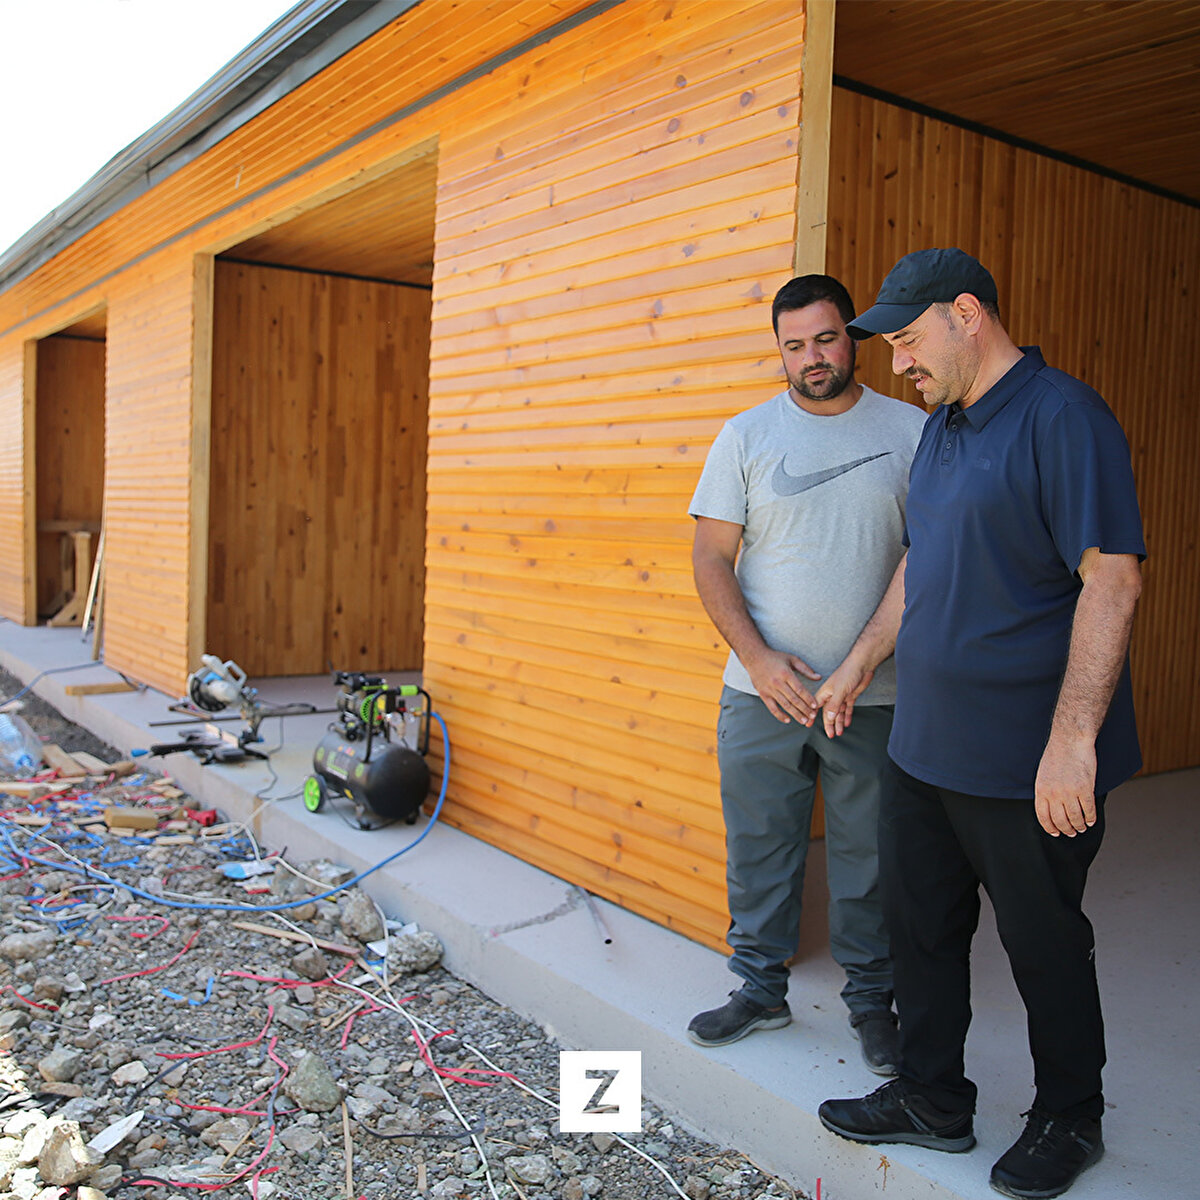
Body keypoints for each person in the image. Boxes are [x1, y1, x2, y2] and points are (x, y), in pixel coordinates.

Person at [814, 248, 1144, 1200]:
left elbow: (1112, 579)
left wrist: (1073, 740)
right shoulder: (944, 428)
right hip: (927, 742)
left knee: (1043, 946)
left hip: (1026, 757)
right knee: (920, 930)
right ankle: (930, 1097)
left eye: (908, 340)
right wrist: (860, 663)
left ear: (968, 314)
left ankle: (1069, 1118)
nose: (898, 363)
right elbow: (924, 562)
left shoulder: (1062, 418)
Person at [686, 274, 926, 1073]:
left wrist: (863, 663)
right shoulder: (747, 435)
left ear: (850, 337)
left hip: (873, 695)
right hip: (763, 695)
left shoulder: (913, 432)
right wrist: (756, 658)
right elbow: (711, 557)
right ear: (781, 352)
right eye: (794, 345)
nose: (811, 358)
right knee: (759, 847)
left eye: (824, 339)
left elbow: (928, 558)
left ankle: (870, 1002)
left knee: (870, 859)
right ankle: (758, 988)